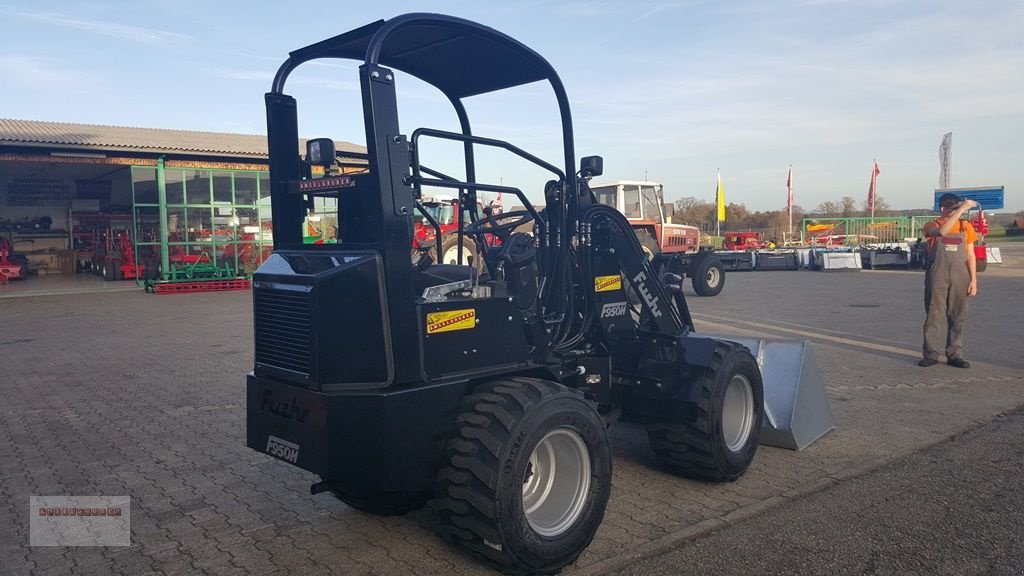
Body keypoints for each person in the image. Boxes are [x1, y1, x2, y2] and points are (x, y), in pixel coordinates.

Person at [919, 193, 978, 368]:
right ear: (943, 209)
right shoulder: (932, 225)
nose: (955, 212)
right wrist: (961, 210)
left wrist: (973, 279)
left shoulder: (965, 227)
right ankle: (930, 354)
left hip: (961, 275)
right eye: (951, 209)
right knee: (934, 315)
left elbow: (970, 254)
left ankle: (955, 354)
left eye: (957, 208)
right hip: (938, 274)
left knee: (958, 315)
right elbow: (942, 232)